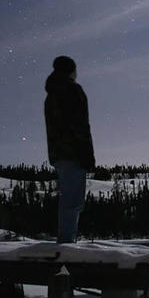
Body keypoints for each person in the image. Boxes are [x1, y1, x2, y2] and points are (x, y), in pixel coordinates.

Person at [44, 56, 96, 243]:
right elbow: (80, 125)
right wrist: (87, 155)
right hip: (73, 152)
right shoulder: (73, 90)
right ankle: (66, 245)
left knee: (68, 199)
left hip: (58, 153)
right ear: (71, 70)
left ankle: (66, 241)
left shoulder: (51, 95)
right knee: (73, 201)